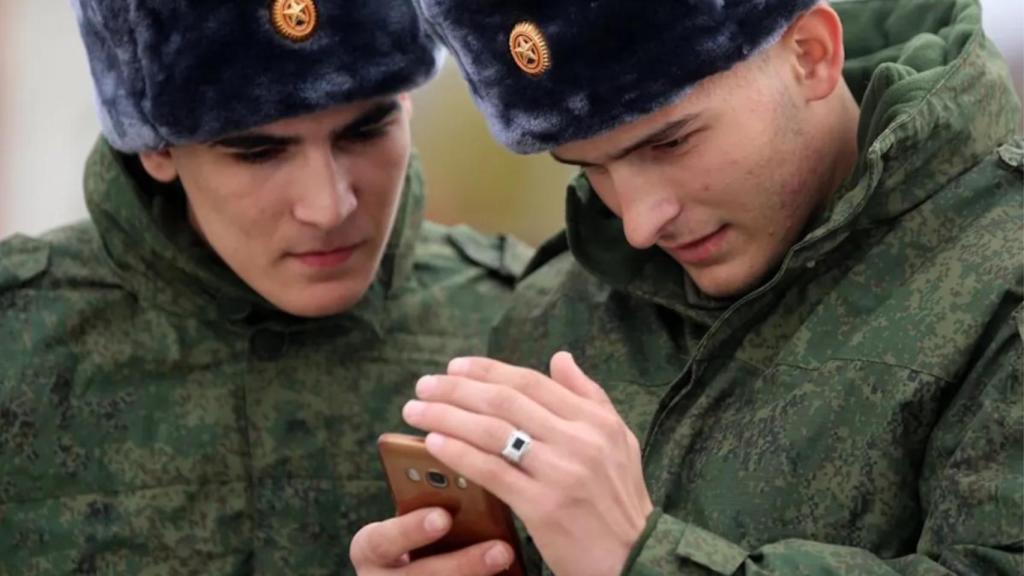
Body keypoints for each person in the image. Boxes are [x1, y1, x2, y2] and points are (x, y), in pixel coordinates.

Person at [351, 0, 1023, 573]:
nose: (641, 224)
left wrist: (640, 555)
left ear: (811, 56)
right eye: (593, 169)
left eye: (669, 144)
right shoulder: (559, 303)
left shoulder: (1003, 274)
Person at [0, 1, 532, 574]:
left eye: (366, 129)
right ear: (157, 149)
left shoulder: (528, 321)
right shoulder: (16, 340)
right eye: (260, 152)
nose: (328, 207)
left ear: (407, 103)